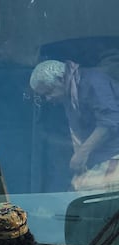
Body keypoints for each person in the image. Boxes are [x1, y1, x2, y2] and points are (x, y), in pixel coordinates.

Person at [30, 59, 119, 191]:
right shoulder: (70, 94)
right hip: (99, 157)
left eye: (49, 92)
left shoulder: (94, 82)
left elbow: (110, 123)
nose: (48, 98)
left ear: (61, 79)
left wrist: (82, 153)